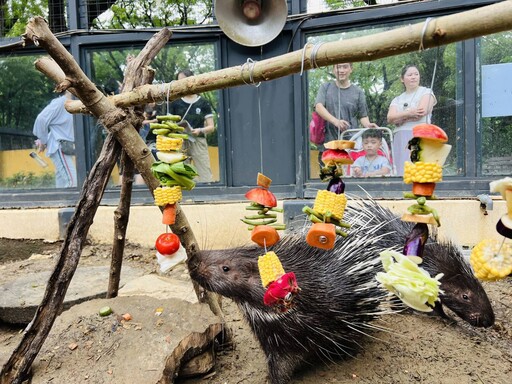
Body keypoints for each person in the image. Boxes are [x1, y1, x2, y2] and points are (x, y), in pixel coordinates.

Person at [314, 63, 378, 166]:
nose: (341, 70)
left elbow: (362, 116)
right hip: (329, 143)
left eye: (345, 67)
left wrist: (368, 125)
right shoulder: (326, 87)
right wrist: (336, 121)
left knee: (350, 176)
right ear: (333, 70)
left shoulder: (358, 92)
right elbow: (318, 107)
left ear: (351, 69)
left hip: (351, 144)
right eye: (338, 67)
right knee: (330, 178)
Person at [387, 64, 437, 175]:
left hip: (420, 134)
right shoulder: (397, 99)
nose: (413, 77)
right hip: (400, 137)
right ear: (402, 79)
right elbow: (390, 118)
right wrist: (409, 113)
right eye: (409, 75)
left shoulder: (426, 92)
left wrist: (400, 118)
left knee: (419, 168)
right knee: (401, 169)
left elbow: (422, 112)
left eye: (416, 74)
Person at [169, 69, 215, 183]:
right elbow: (169, 124)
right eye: (178, 81)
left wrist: (200, 130)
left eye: (183, 80)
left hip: (198, 141)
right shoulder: (175, 103)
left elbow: (211, 127)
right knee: (182, 175)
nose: (181, 83)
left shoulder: (203, 102)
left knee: (204, 172)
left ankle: (206, 198)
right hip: (180, 142)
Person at [33, 91, 77, 188]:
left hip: (64, 147)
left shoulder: (74, 103)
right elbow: (41, 119)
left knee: (62, 185)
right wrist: (43, 140)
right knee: (73, 182)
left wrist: (43, 140)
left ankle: (62, 203)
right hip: (59, 147)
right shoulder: (60, 102)